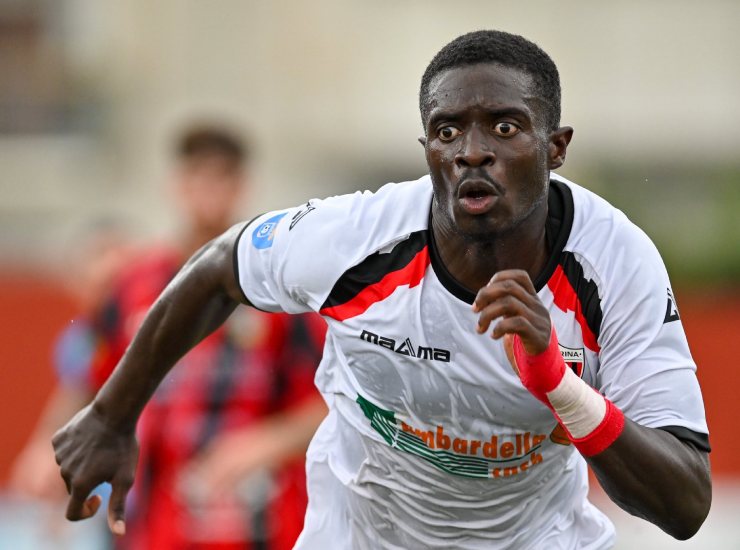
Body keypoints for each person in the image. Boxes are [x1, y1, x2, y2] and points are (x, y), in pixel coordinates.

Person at [53, 31, 711, 549]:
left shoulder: (616, 265)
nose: (472, 151)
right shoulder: (359, 238)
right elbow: (219, 266)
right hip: (360, 536)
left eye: (505, 127)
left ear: (556, 147)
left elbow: (684, 505)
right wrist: (111, 417)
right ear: (427, 149)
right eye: (448, 131)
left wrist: (559, 386)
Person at [51, 125, 328, 550]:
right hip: (157, 527)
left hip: (261, 526)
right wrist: (47, 454)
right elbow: (88, 382)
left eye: (222, 177)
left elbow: (332, 405)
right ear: (176, 184)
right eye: (199, 176)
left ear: (242, 186)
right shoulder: (133, 286)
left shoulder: (280, 291)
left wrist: (262, 443)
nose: (209, 192)